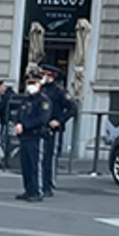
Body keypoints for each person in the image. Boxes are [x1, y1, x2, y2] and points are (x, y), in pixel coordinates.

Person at [10, 71, 53, 201]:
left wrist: (25, 125)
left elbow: (42, 119)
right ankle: (28, 190)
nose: (31, 86)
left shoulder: (43, 100)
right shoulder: (26, 99)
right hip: (25, 136)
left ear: (39, 84)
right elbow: (20, 114)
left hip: (36, 136)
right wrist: (18, 123)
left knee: (35, 165)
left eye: (34, 83)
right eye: (29, 83)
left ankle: (37, 191)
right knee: (26, 165)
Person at [39, 65, 74, 196]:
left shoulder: (59, 91)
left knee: (50, 157)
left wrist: (59, 120)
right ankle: (40, 183)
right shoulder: (41, 89)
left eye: (46, 75)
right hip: (41, 127)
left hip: (53, 128)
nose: (43, 78)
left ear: (52, 76)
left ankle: (49, 184)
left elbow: (72, 108)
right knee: (41, 157)